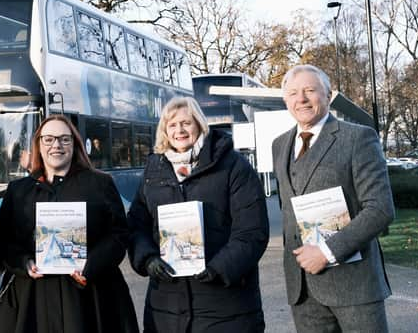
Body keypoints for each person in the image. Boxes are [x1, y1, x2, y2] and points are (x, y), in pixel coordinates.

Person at [127, 97, 269, 333]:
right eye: (172, 125)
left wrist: (219, 268)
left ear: (200, 125)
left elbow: (252, 231)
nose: (179, 130)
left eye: (186, 123)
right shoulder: (153, 171)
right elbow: (136, 226)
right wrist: (147, 258)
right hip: (167, 307)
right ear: (164, 131)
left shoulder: (233, 166)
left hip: (225, 305)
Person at [0, 115, 139, 333]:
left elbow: (119, 234)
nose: (56, 145)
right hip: (32, 299)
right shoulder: (19, 190)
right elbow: (0, 239)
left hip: (89, 296)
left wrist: (92, 263)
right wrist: (23, 262)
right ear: (38, 145)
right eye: (48, 139)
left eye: (64, 139)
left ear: (74, 144)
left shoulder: (100, 183)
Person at [272, 64, 395, 332]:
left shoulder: (358, 138)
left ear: (328, 95)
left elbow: (380, 209)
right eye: (293, 93)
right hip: (302, 289)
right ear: (285, 101)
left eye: (309, 90)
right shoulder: (279, 145)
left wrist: (326, 252)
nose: (301, 99)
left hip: (354, 285)